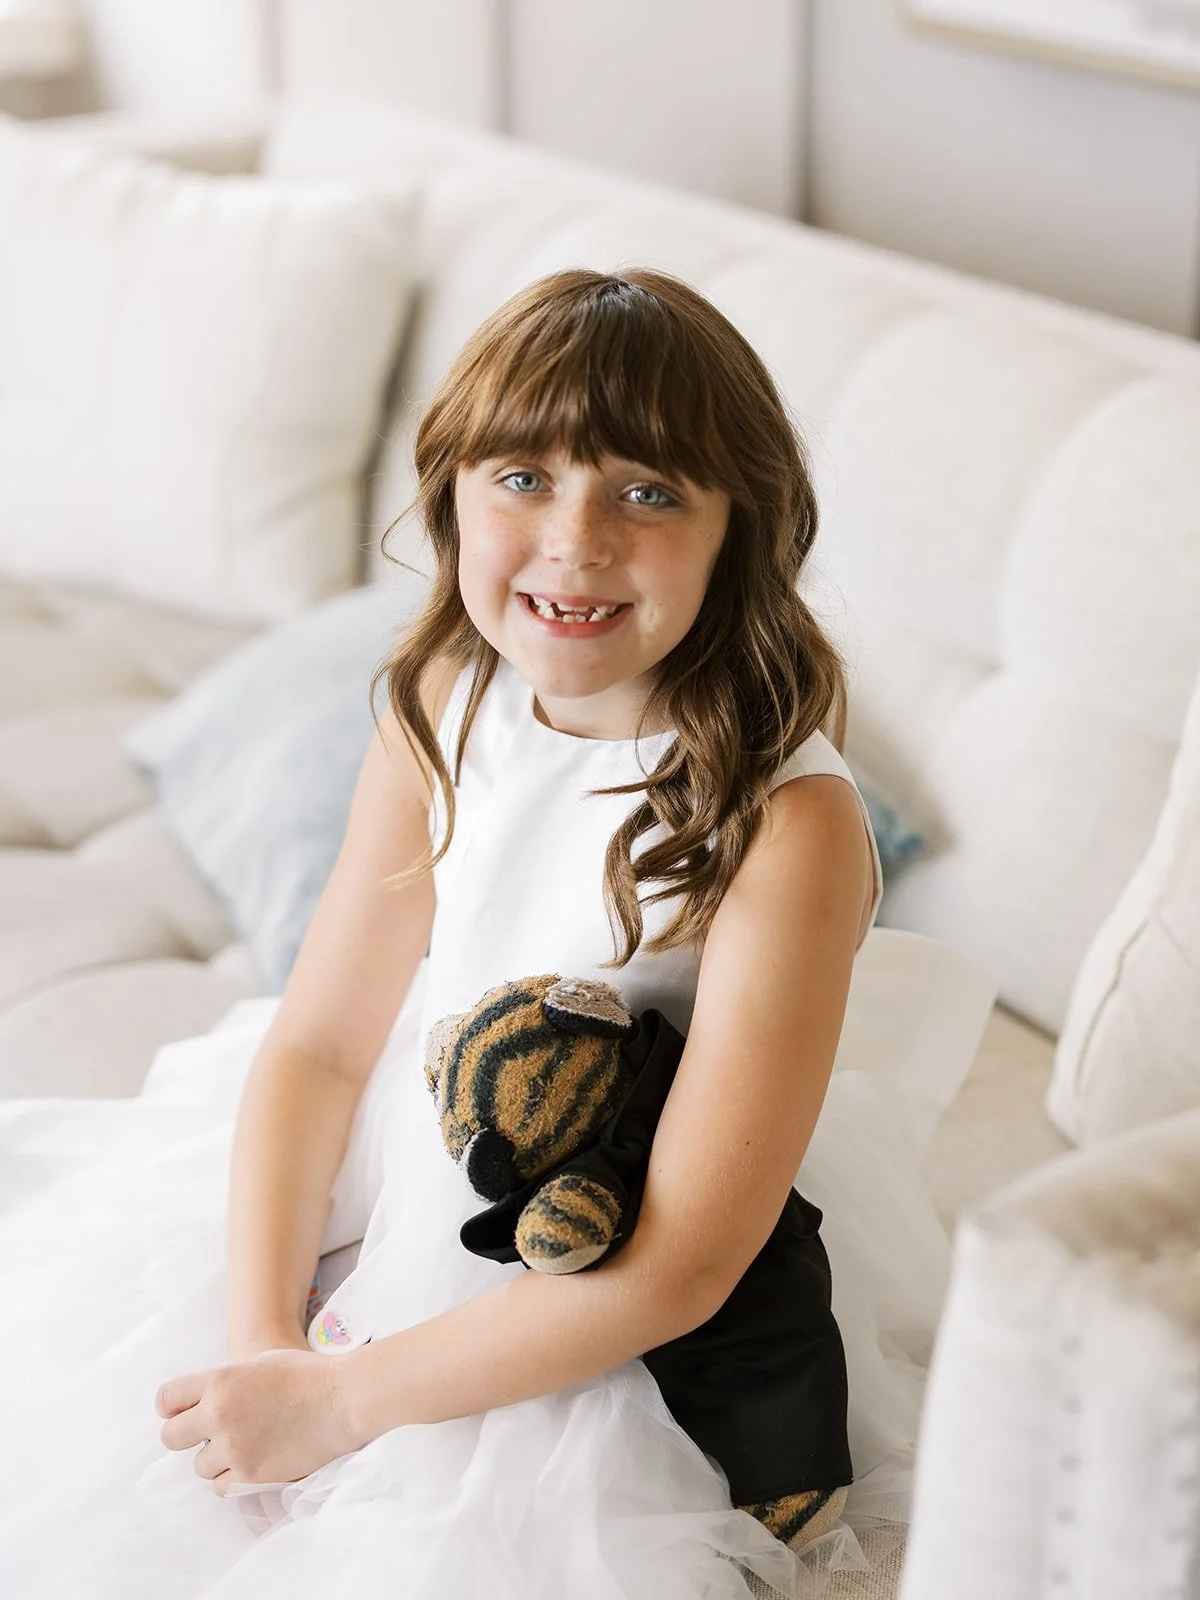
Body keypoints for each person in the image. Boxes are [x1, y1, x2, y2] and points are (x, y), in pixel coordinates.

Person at [0, 269, 958, 1599]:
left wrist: (346, 1405)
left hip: (608, 1258)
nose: (575, 541)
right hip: (409, 1132)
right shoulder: (444, 695)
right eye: (522, 477)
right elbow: (323, 1045)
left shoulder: (783, 825)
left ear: (741, 527)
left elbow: (682, 1263)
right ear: (450, 492)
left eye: (648, 491)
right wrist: (271, 1341)